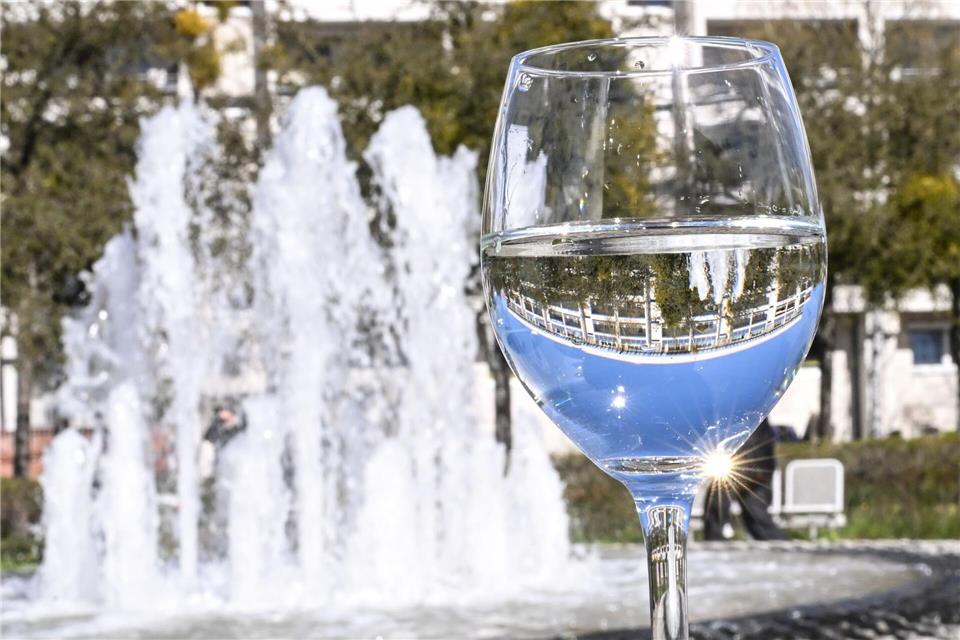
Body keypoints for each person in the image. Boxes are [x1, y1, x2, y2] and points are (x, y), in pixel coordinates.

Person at [703, 418, 789, 541]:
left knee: (718, 508)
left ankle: (713, 542)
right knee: (756, 516)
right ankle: (778, 544)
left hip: (742, 466)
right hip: (749, 466)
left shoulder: (746, 413)